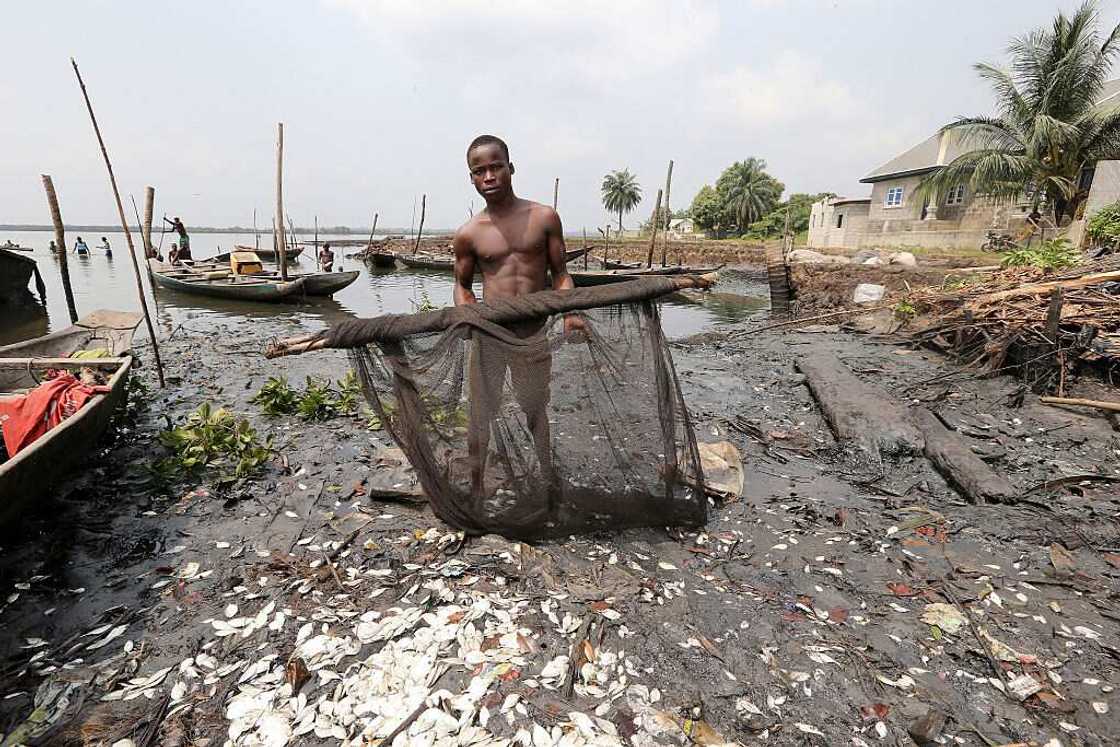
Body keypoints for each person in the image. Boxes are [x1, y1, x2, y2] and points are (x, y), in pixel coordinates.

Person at [452, 134, 583, 507]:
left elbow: (560, 274)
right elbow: (462, 287)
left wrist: (571, 312)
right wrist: (468, 314)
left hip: (532, 333)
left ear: (510, 168)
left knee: (535, 407)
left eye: (496, 167)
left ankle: (548, 477)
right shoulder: (469, 234)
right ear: (472, 178)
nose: (489, 176)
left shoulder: (543, 217)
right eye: (479, 171)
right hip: (491, 334)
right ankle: (476, 487)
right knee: (481, 413)